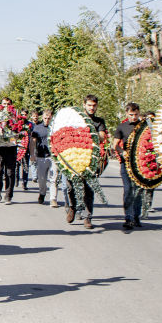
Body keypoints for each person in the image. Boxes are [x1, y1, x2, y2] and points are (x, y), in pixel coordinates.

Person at [65, 94, 107, 229]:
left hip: (90, 159)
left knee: (89, 188)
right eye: (89, 105)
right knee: (71, 186)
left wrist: (88, 134)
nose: (92, 108)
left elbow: (101, 137)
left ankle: (88, 217)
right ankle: (72, 207)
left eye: (94, 105)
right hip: (74, 157)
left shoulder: (99, 122)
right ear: (84, 105)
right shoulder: (76, 119)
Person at [113, 102, 144, 231]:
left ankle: (136, 216)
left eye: (136, 114)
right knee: (128, 190)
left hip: (140, 164)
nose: (134, 117)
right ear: (127, 113)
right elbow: (114, 145)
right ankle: (128, 218)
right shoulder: (122, 126)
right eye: (131, 114)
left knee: (138, 190)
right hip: (126, 163)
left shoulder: (144, 126)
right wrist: (122, 152)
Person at [30, 107, 62, 206]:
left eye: (49, 118)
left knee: (54, 179)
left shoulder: (56, 128)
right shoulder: (37, 128)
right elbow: (33, 142)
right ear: (42, 118)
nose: (47, 120)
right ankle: (42, 193)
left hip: (53, 157)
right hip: (41, 157)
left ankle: (53, 199)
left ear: (52, 118)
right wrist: (32, 154)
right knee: (42, 179)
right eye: (45, 118)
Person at [0, 97, 17, 205]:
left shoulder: (15, 117)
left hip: (11, 147)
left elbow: (19, 130)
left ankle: (8, 195)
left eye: (8, 104)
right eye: (4, 104)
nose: (6, 106)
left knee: (10, 173)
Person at [142, 111, 157, 218]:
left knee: (151, 184)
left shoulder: (157, 131)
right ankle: (141, 205)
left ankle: (148, 204)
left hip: (153, 160)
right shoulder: (140, 131)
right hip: (142, 160)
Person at [18, 108, 32, 191]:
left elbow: (32, 135)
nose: (24, 116)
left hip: (26, 147)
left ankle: (24, 182)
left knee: (25, 165)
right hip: (18, 147)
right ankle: (16, 180)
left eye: (25, 115)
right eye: (22, 114)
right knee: (16, 165)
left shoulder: (30, 124)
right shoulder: (17, 123)